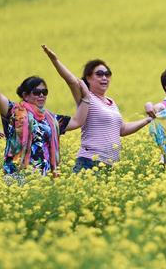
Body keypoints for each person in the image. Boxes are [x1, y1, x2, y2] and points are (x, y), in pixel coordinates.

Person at [42, 45, 153, 173]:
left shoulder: (111, 102)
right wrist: (55, 60)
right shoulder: (86, 97)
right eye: (99, 74)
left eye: (107, 74)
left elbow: (121, 129)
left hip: (110, 166)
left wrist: (147, 120)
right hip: (89, 162)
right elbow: (71, 81)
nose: (104, 77)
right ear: (88, 78)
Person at [0, 62, 90, 178]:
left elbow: (77, 121)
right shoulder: (15, 112)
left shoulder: (51, 119)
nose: (41, 95)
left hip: (44, 177)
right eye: (36, 92)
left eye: (44, 92)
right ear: (25, 95)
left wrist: (87, 98)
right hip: (16, 175)